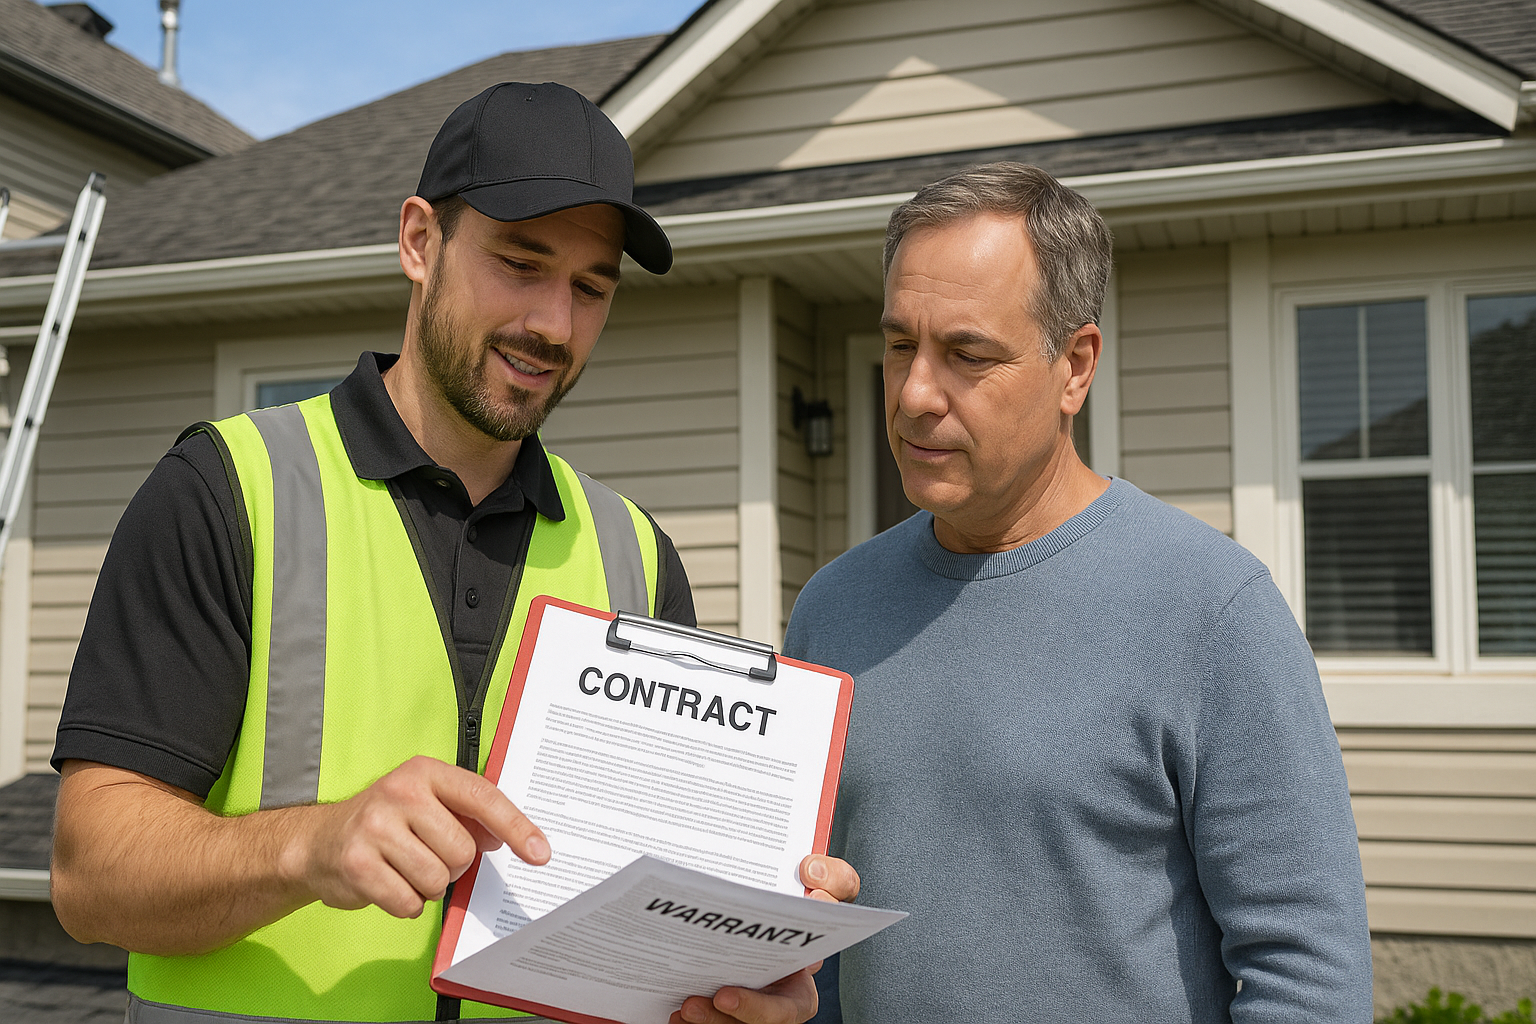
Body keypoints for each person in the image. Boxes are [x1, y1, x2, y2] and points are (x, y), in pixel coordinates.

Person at [49, 82, 856, 1024]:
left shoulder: (635, 554)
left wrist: (735, 964)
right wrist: (307, 849)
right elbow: (88, 876)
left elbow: (648, 931)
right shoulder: (229, 491)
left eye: (591, 288)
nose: (554, 325)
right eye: (521, 262)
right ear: (420, 242)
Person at [786, 162, 1372, 1023]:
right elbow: (813, 944)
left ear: (1075, 367)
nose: (915, 394)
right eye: (900, 344)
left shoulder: (1212, 609)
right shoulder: (831, 609)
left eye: (967, 354)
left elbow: (1309, 972)